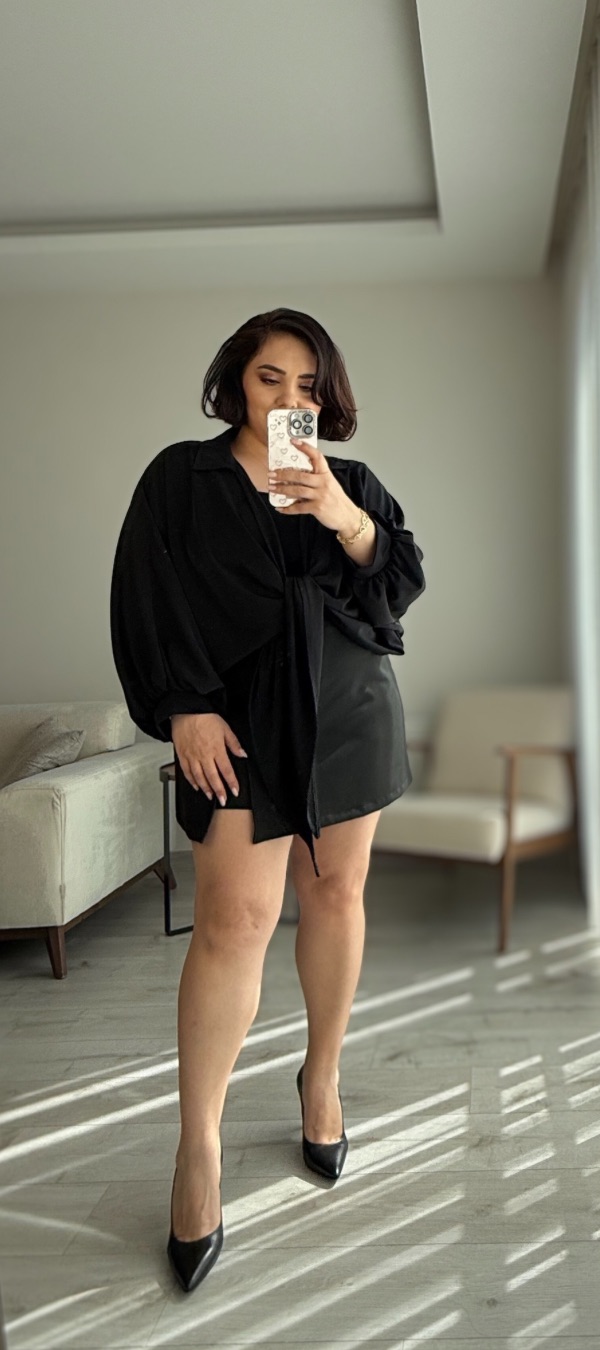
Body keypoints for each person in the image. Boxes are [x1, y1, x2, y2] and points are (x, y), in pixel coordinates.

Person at [109, 308, 426, 1293]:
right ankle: (197, 1147)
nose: (291, 398)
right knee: (233, 924)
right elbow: (143, 597)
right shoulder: (181, 479)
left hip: (349, 712)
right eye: (270, 378)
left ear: (329, 396)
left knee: (336, 895)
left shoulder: (351, 481)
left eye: (309, 385)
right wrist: (184, 708)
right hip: (237, 722)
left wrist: (341, 514)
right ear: (235, 384)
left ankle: (320, 1077)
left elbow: (398, 587)